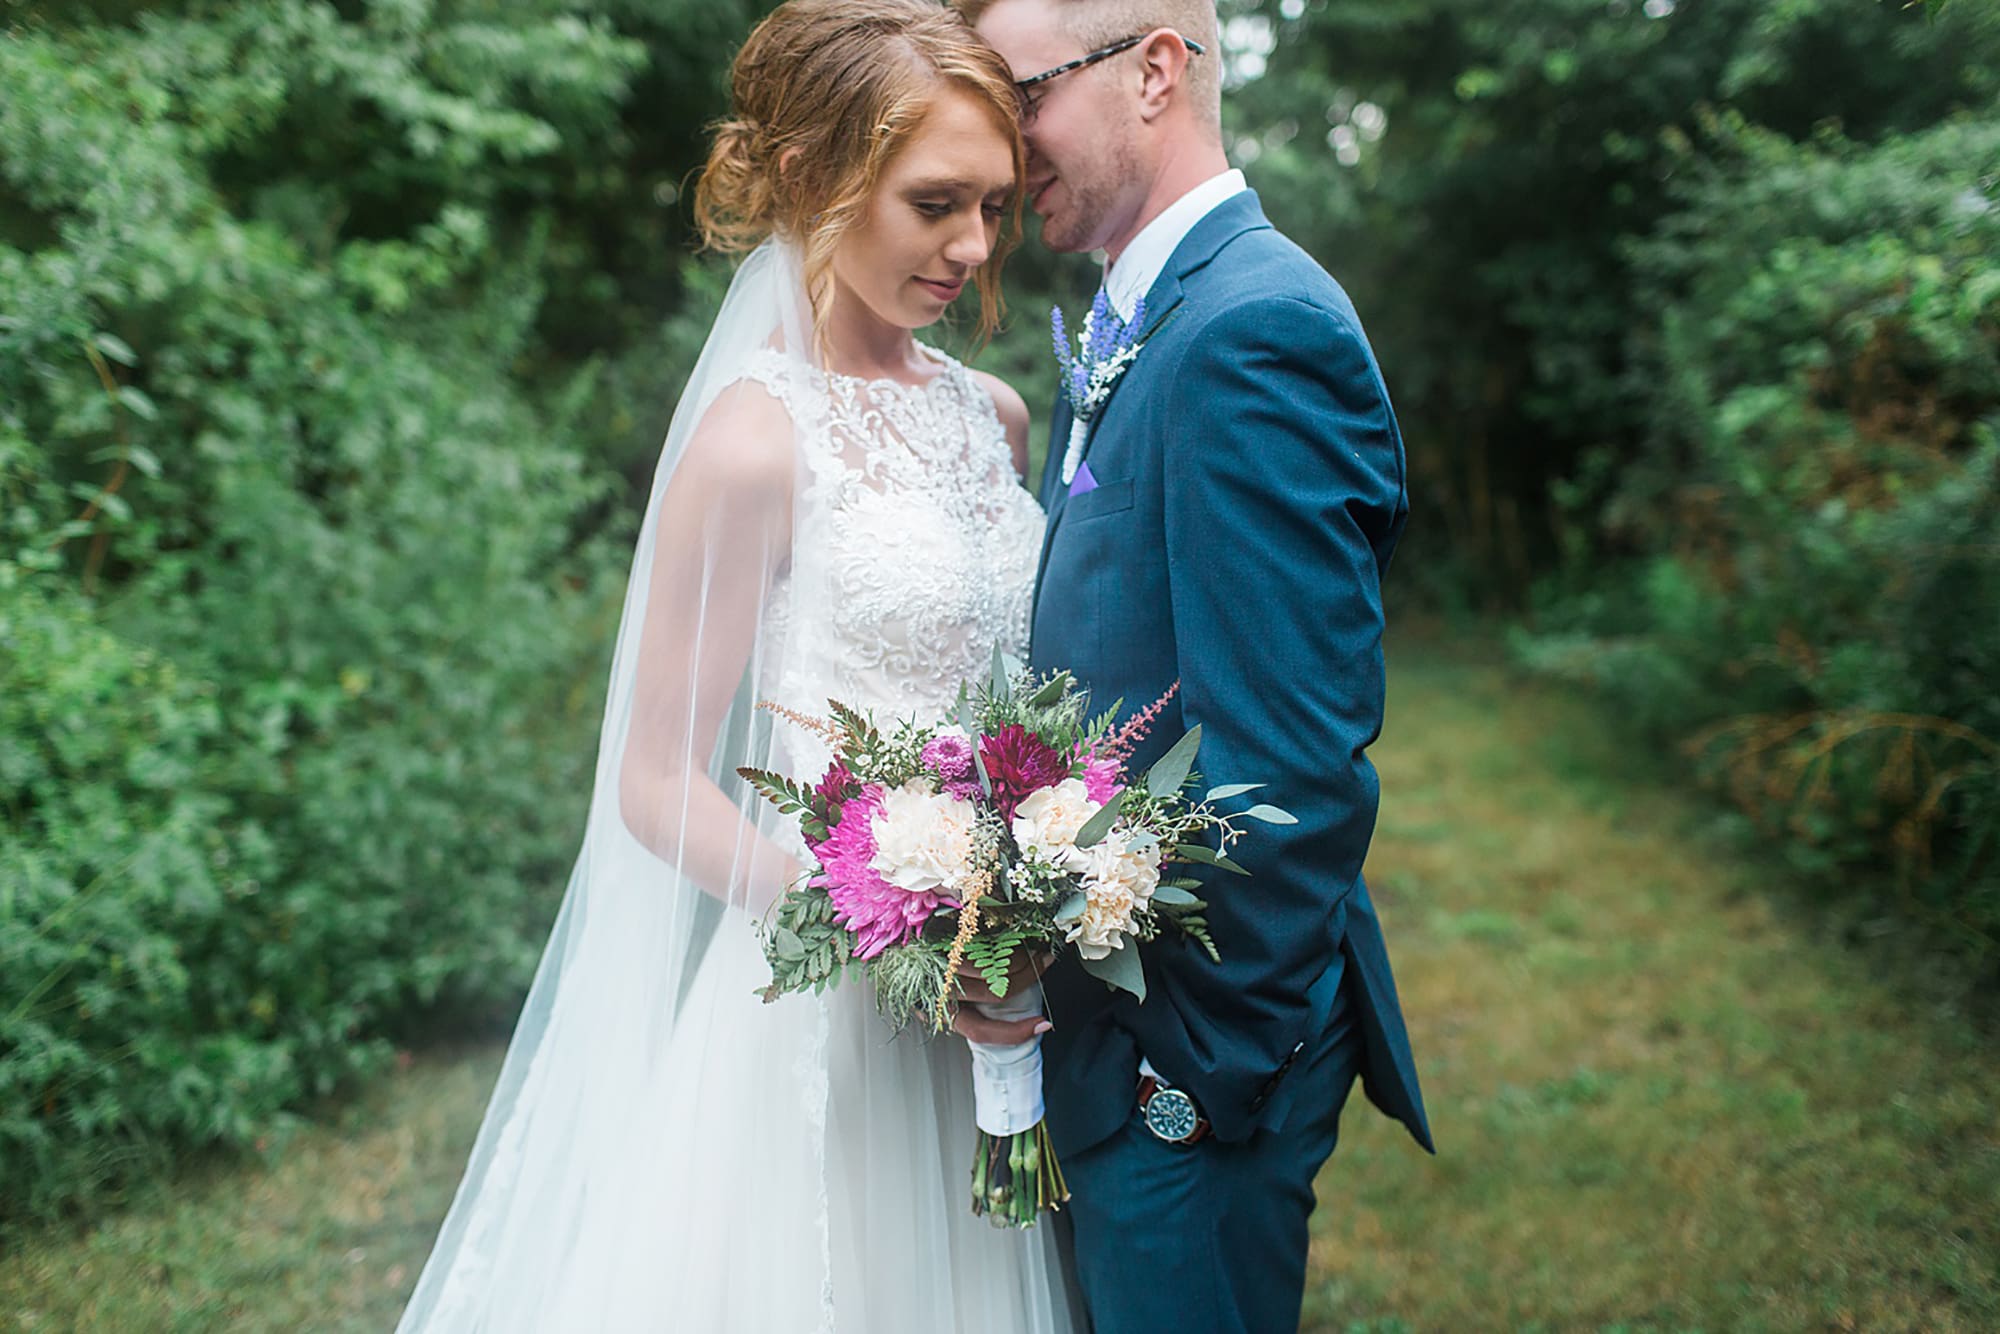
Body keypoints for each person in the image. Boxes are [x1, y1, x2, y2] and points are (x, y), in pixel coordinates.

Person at [395, 3, 1079, 1328]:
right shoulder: (754, 445)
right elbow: (654, 777)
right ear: (820, 178)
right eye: (937, 202)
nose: (975, 246)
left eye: (994, 205)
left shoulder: (991, 415)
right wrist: (888, 920)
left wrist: (1037, 877)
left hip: (1000, 998)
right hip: (827, 1011)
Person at [961, 2, 1436, 1331]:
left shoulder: (1254, 327)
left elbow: (1288, 765)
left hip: (1186, 1073)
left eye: (1021, 96)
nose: (1000, 149)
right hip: (1106, 1042)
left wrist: (1193, 1084)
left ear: (1154, 70)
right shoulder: (1132, 317)